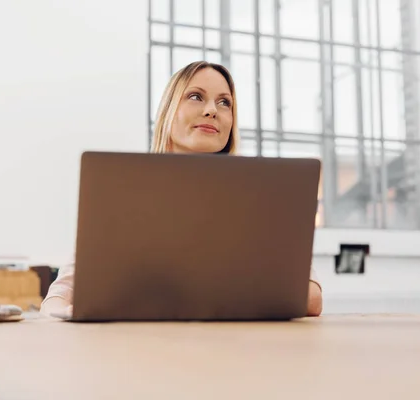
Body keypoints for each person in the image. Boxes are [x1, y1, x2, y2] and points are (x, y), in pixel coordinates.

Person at [41, 61, 323, 318]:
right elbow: (58, 297)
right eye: (196, 96)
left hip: (237, 355)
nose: (212, 110)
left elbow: (310, 298)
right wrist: (65, 310)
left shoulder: (261, 199)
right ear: (169, 110)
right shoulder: (125, 193)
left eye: (225, 103)